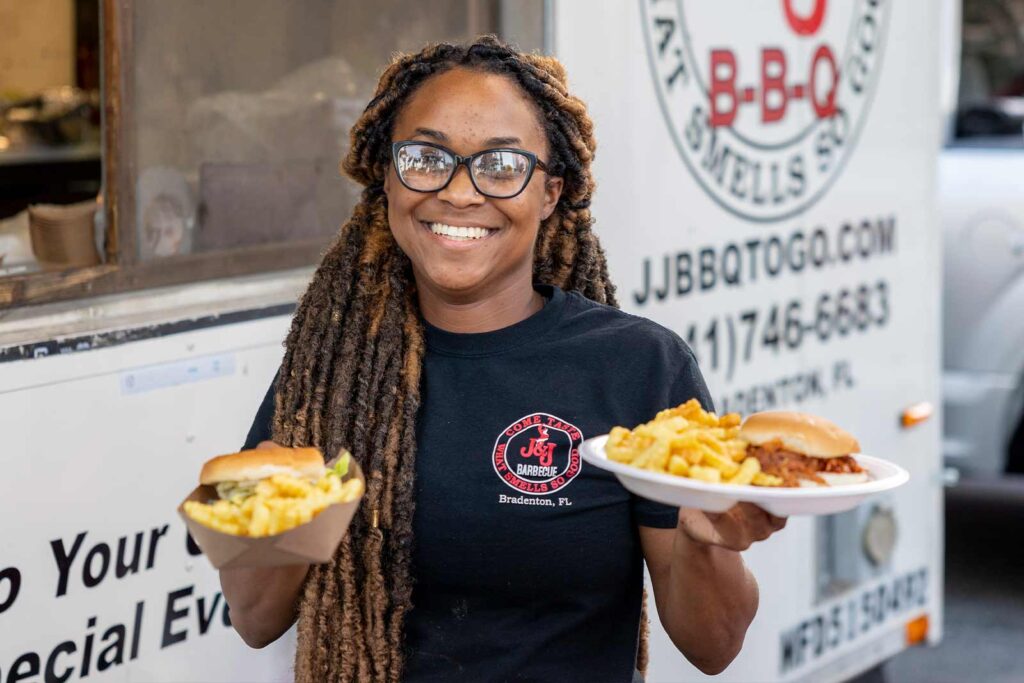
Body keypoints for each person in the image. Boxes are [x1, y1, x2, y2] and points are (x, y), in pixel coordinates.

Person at [221, 36, 786, 683]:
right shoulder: (332, 374)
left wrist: (704, 543)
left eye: (499, 165)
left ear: (550, 192)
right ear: (387, 178)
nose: (459, 193)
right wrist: (302, 500)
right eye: (426, 157)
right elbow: (256, 616)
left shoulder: (637, 365)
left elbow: (713, 645)